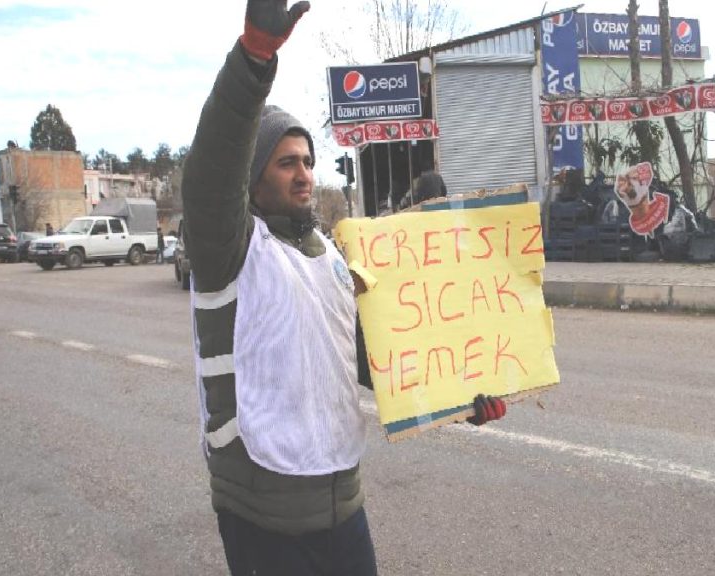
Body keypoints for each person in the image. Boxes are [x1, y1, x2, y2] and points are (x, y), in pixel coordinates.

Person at [181, 2, 506, 574]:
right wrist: (254, 57)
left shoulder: (331, 255)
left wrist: (460, 398)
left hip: (342, 503)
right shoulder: (228, 249)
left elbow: (372, 358)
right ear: (252, 178)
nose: (305, 173)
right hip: (262, 513)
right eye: (285, 162)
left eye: (308, 160)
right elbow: (213, 167)